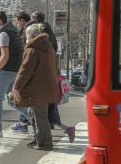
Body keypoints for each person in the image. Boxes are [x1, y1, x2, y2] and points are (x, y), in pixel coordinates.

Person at [11, 23, 59, 151]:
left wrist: (16, 87)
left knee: (39, 116)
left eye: (26, 36)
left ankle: (45, 143)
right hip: (46, 87)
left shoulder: (32, 50)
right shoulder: (48, 48)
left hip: (37, 89)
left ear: (31, 36)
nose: (25, 38)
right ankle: (38, 138)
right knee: (33, 114)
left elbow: (24, 71)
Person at [31, 11, 75, 143]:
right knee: (46, 109)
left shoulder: (41, 33)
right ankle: (42, 134)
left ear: (35, 20)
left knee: (41, 110)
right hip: (51, 74)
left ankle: (42, 137)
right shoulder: (49, 30)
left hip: (45, 76)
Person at [8, 11, 33, 133]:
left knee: (19, 95)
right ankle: (25, 121)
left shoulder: (28, 32)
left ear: (22, 21)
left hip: (26, 68)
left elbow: (25, 51)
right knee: (23, 96)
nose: (17, 24)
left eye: (18, 22)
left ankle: (26, 122)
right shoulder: (28, 30)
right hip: (27, 68)